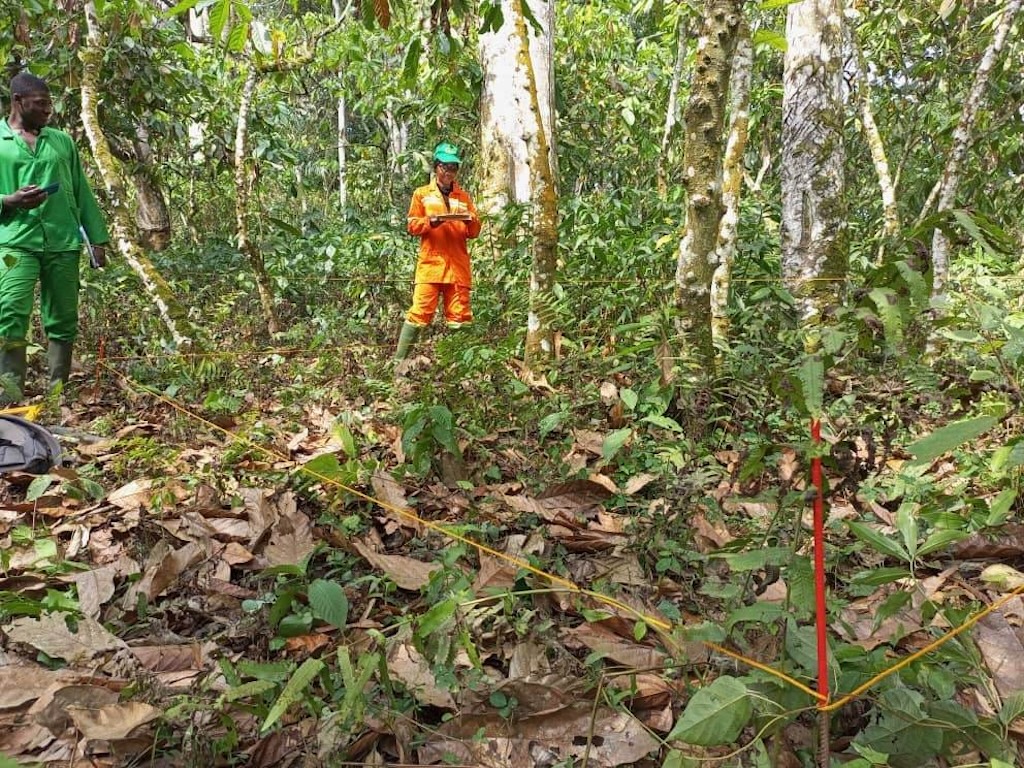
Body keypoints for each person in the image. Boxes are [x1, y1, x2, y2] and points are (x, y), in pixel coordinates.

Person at [0, 72, 108, 399]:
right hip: (14, 241)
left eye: (50, 103)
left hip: (62, 240)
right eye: (41, 103)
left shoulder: (61, 141)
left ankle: (58, 393)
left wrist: (97, 238)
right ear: (18, 101)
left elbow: (81, 190)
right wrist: (9, 200)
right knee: (10, 312)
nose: (49, 110)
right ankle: (10, 396)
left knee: (63, 316)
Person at [394, 142, 481, 365]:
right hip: (431, 265)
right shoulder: (421, 194)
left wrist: (473, 220)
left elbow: (474, 233)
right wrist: (429, 223)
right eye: (446, 167)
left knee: (460, 317)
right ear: (436, 167)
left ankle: (461, 368)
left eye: (454, 167)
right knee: (419, 313)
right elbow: (412, 226)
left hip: (457, 266)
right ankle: (397, 366)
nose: (450, 172)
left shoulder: (463, 197)